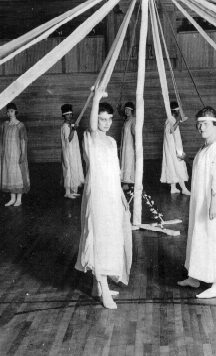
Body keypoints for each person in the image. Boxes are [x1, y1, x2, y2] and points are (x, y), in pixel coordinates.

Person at [75, 88, 132, 310]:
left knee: (109, 235)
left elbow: (115, 171)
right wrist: (96, 99)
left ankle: (99, 285)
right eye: (102, 119)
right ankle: (104, 290)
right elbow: (91, 125)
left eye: (109, 119)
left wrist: (120, 195)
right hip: (97, 192)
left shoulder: (110, 142)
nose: (106, 123)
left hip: (110, 192)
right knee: (98, 235)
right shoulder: (90, 137)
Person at [177, 107, 216, 299]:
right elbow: (201, 168)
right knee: (199, 235)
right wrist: (186, 158)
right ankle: (195, 277)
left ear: (215, 125)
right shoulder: (206, 146)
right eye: (199, 124)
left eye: (204, 124)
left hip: (212, 203)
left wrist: (214, 202)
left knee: (214, 237)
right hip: (200, 202)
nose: (200, 127)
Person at [0, 103, 30, 206]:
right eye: (8, 111)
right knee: (9, 175)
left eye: (11, 111)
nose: (9, 113)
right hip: (6, 156)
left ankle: (19, 199)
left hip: (16, 154)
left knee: (17, 175)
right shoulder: (4, 124)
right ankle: (12, 198)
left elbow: (24, 141)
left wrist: (23, 154)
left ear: (15, 111)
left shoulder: (20, 125)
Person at [161, 101, 190, 194]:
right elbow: (171, 130)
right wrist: (179, 120)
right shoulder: (171, 120)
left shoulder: (170, 119)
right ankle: (184, 189)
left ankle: (173, 188)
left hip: (172, 147)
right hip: (174, 149)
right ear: (175, 111)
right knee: (178, 165)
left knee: (172, 166)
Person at [60, 104, 84, 198]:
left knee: (74, 168)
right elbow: (68, 140)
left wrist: (73, 128)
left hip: (74, 152)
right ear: (64, 115)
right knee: (69, 169)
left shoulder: (70, 125)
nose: (69, 116)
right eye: (67, 114)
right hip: (68, 152)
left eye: (70, 114)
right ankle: (67, 192)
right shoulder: (65, 127)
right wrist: (73, 130)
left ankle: (73, 191)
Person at [118, 101, 136, 190]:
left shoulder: (133, 120)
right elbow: (122, 116)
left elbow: (134, 133)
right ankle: (125, 181)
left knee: (128, 162)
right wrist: (119, 109)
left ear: (132, 111)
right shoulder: (126, 120)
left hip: (130, 146)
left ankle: (127, 182)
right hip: (125, 145)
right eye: (125, 110)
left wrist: (136, 146)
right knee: (124, 161)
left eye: (128, 110)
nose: (126, 111)